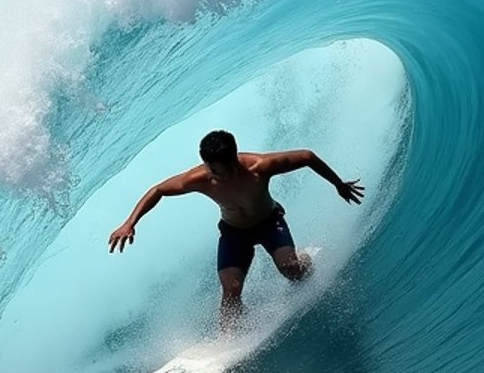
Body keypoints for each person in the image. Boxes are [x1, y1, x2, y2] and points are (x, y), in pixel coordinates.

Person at [108, 130, 364, 330]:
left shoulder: (259, 166)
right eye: (208, 167)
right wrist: (131, 222)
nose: (212, 174)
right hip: (234, 232)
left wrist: (338, 184)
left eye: (217, 169)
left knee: (291, 271)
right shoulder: (199, 178)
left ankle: (304, 262)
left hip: (269, 222)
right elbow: (159, 190)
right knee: (231, 289)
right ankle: (230, 337)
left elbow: (307, 156)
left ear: (233, 159)